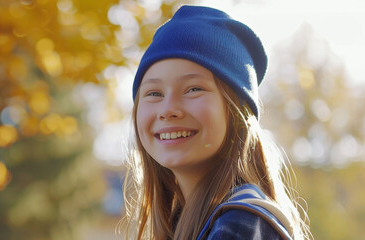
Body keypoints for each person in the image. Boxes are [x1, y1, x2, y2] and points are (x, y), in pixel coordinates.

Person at [122, 5, 311, 240]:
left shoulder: (242, 224)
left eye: (193, 89)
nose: (168, 110)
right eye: (154, 93)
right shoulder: (186, 223)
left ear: (237, 112)